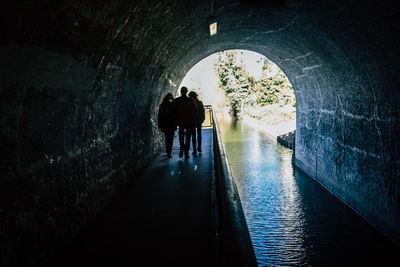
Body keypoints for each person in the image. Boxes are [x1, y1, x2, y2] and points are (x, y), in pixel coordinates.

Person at [172, 87, 197, 159]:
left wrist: (176, 120)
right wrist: (193, 120)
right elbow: (195, 110)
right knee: (188, 137)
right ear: (186, 92)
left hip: (181, 122)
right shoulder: (191, 100)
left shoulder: (177, 100)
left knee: (181, 137)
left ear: (180, 91)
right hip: (189, 122)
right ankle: (186, 153)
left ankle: (181, 149)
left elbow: (173, 111)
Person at [158, 93, 177, 158]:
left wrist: (160, 126)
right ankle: (169, 152)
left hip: (166, 125)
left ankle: (168, 151)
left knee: (167, 138)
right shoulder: (172, 106)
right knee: (170, 138)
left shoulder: (162, 105)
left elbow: (160, 116)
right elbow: (175, 116)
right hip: (171, 125)